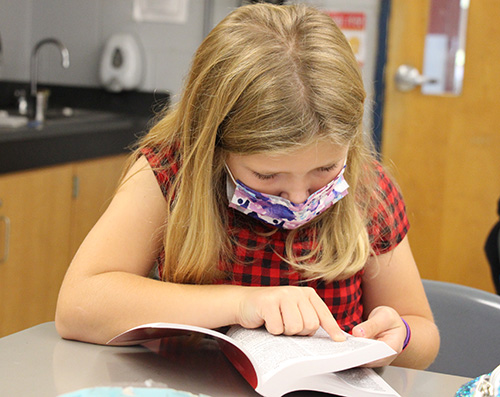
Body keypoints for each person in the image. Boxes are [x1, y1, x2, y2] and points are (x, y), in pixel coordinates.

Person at [55, 3, 439, 369]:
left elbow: (423, 333)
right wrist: (242, 304)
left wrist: (400, 336)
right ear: (213, 145)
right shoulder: (172, 173)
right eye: (268, 177)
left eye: (324, 168)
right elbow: (79, 307)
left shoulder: (366, 190)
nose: (300, 198)